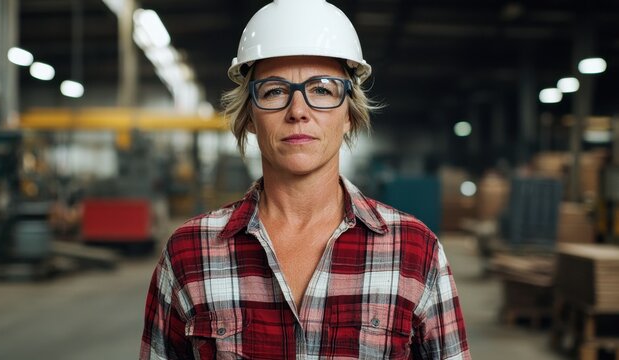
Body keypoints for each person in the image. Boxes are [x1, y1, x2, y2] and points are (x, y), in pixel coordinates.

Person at [140, 0, 470, 358]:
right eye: (274, 91)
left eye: (322, 90)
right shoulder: (189, 253)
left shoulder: (415, 251)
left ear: (348, 114)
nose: (298, 112)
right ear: (250, 116)